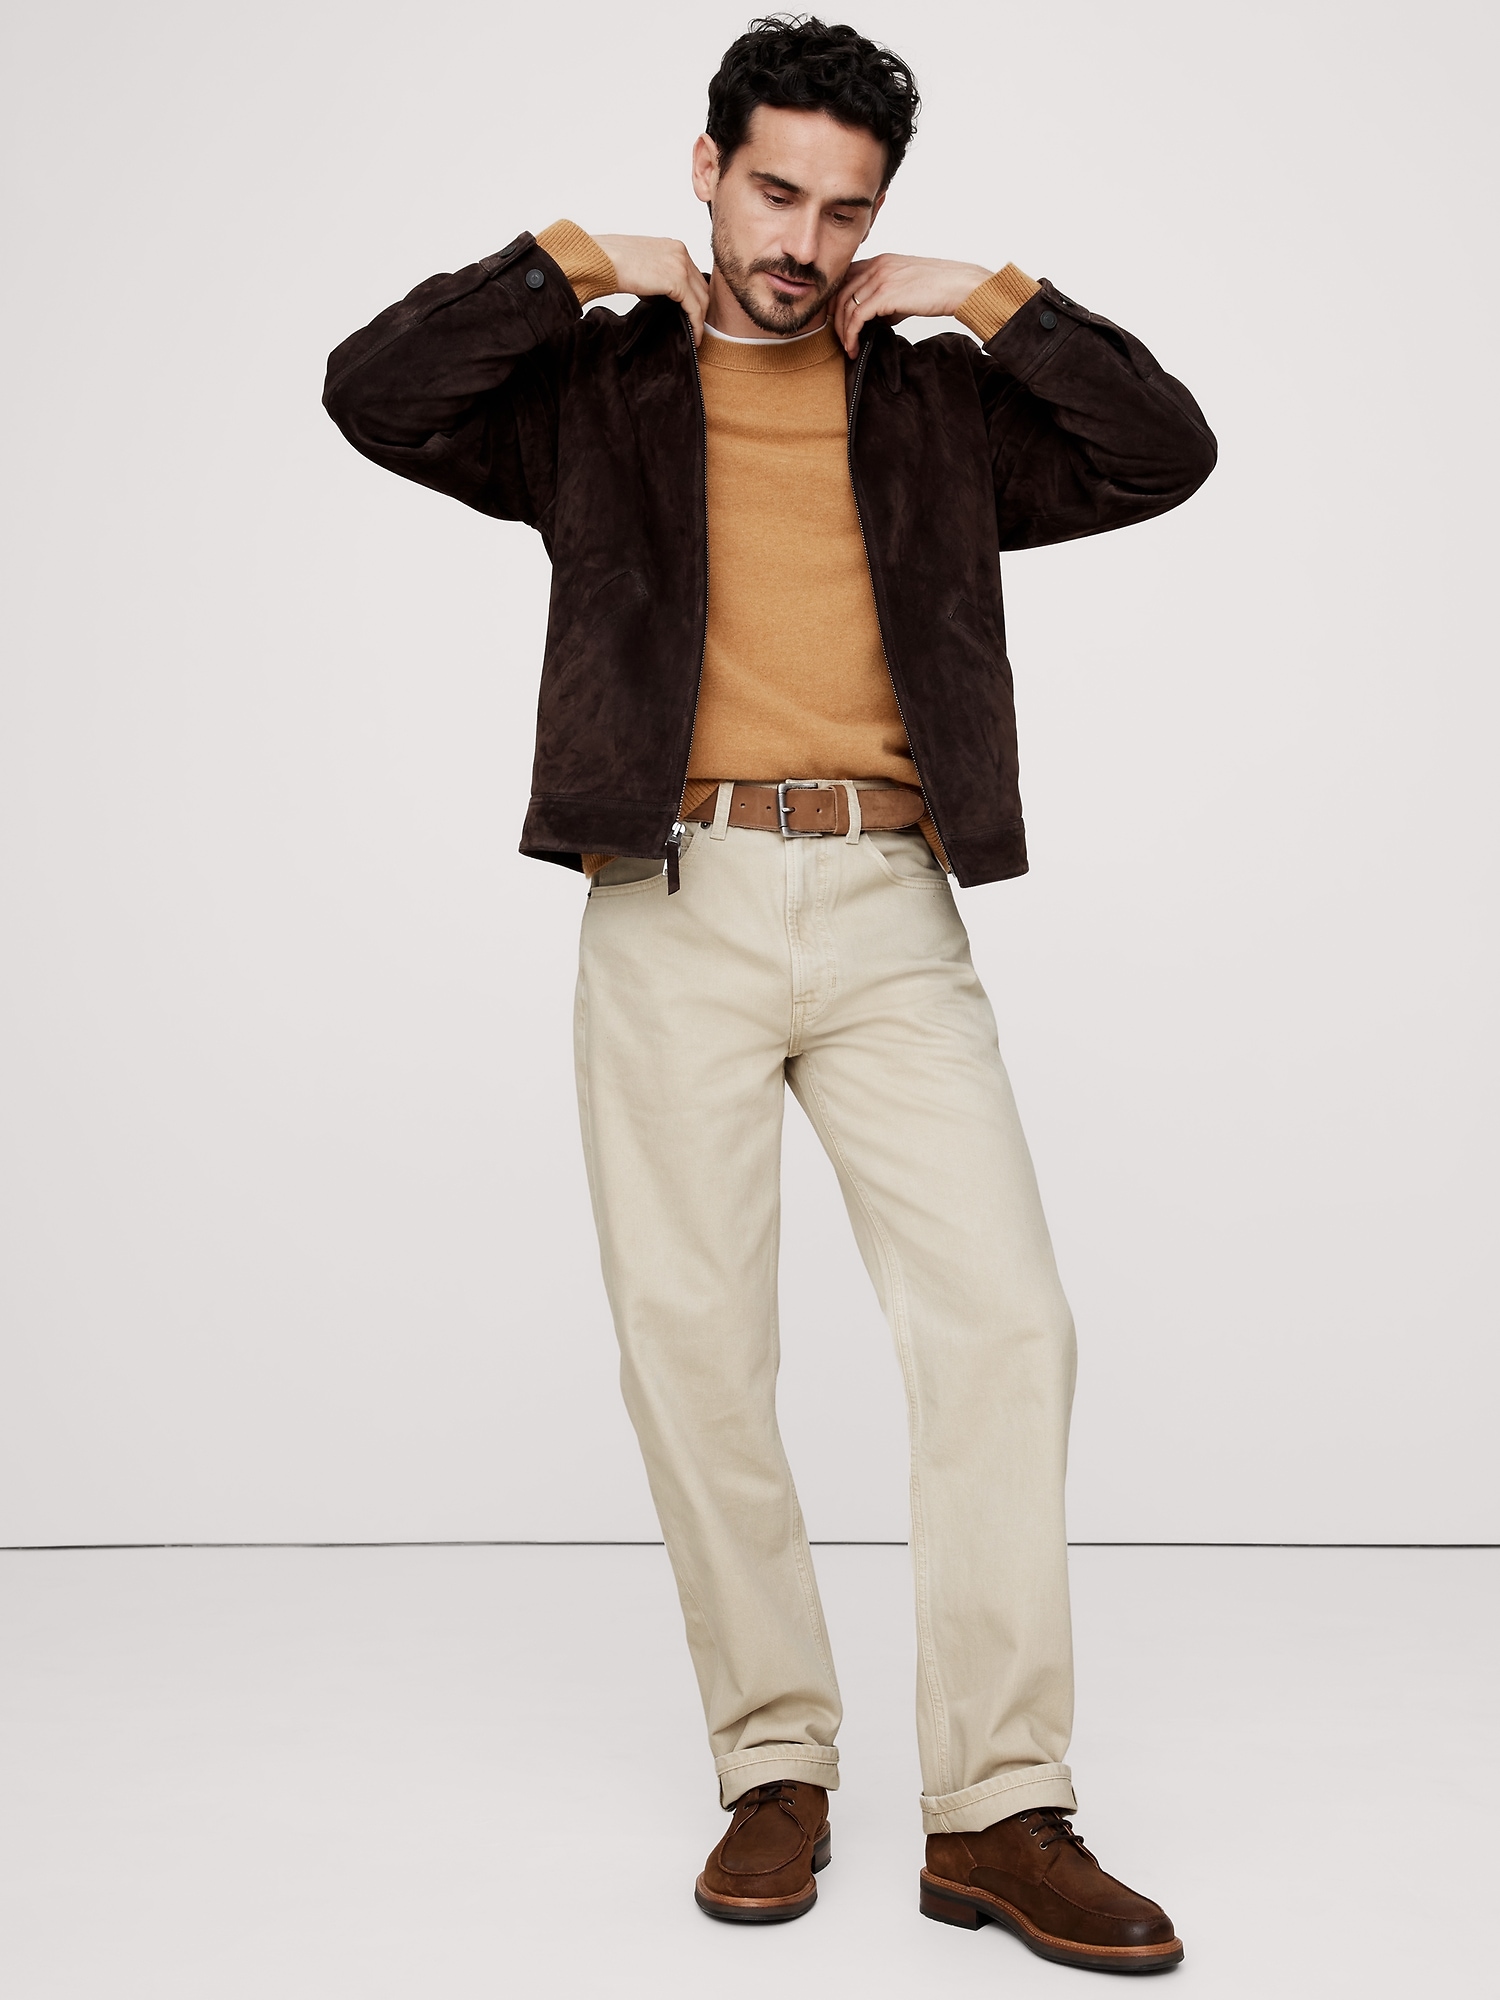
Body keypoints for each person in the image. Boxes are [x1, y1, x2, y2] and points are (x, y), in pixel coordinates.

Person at [323, 14, 1214, 1974]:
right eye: (776, 192)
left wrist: (993, 296)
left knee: (1007, 1329)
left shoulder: (935, 404)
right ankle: (776, 1764)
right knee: (696, 1345)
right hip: (673, 898)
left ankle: (1000, 1808)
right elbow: (374, 392)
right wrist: (569, 264)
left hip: (891, 901)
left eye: (847, 210)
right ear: (709, 169)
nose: (805, 243)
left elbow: (1162, 450)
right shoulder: (596, 389)